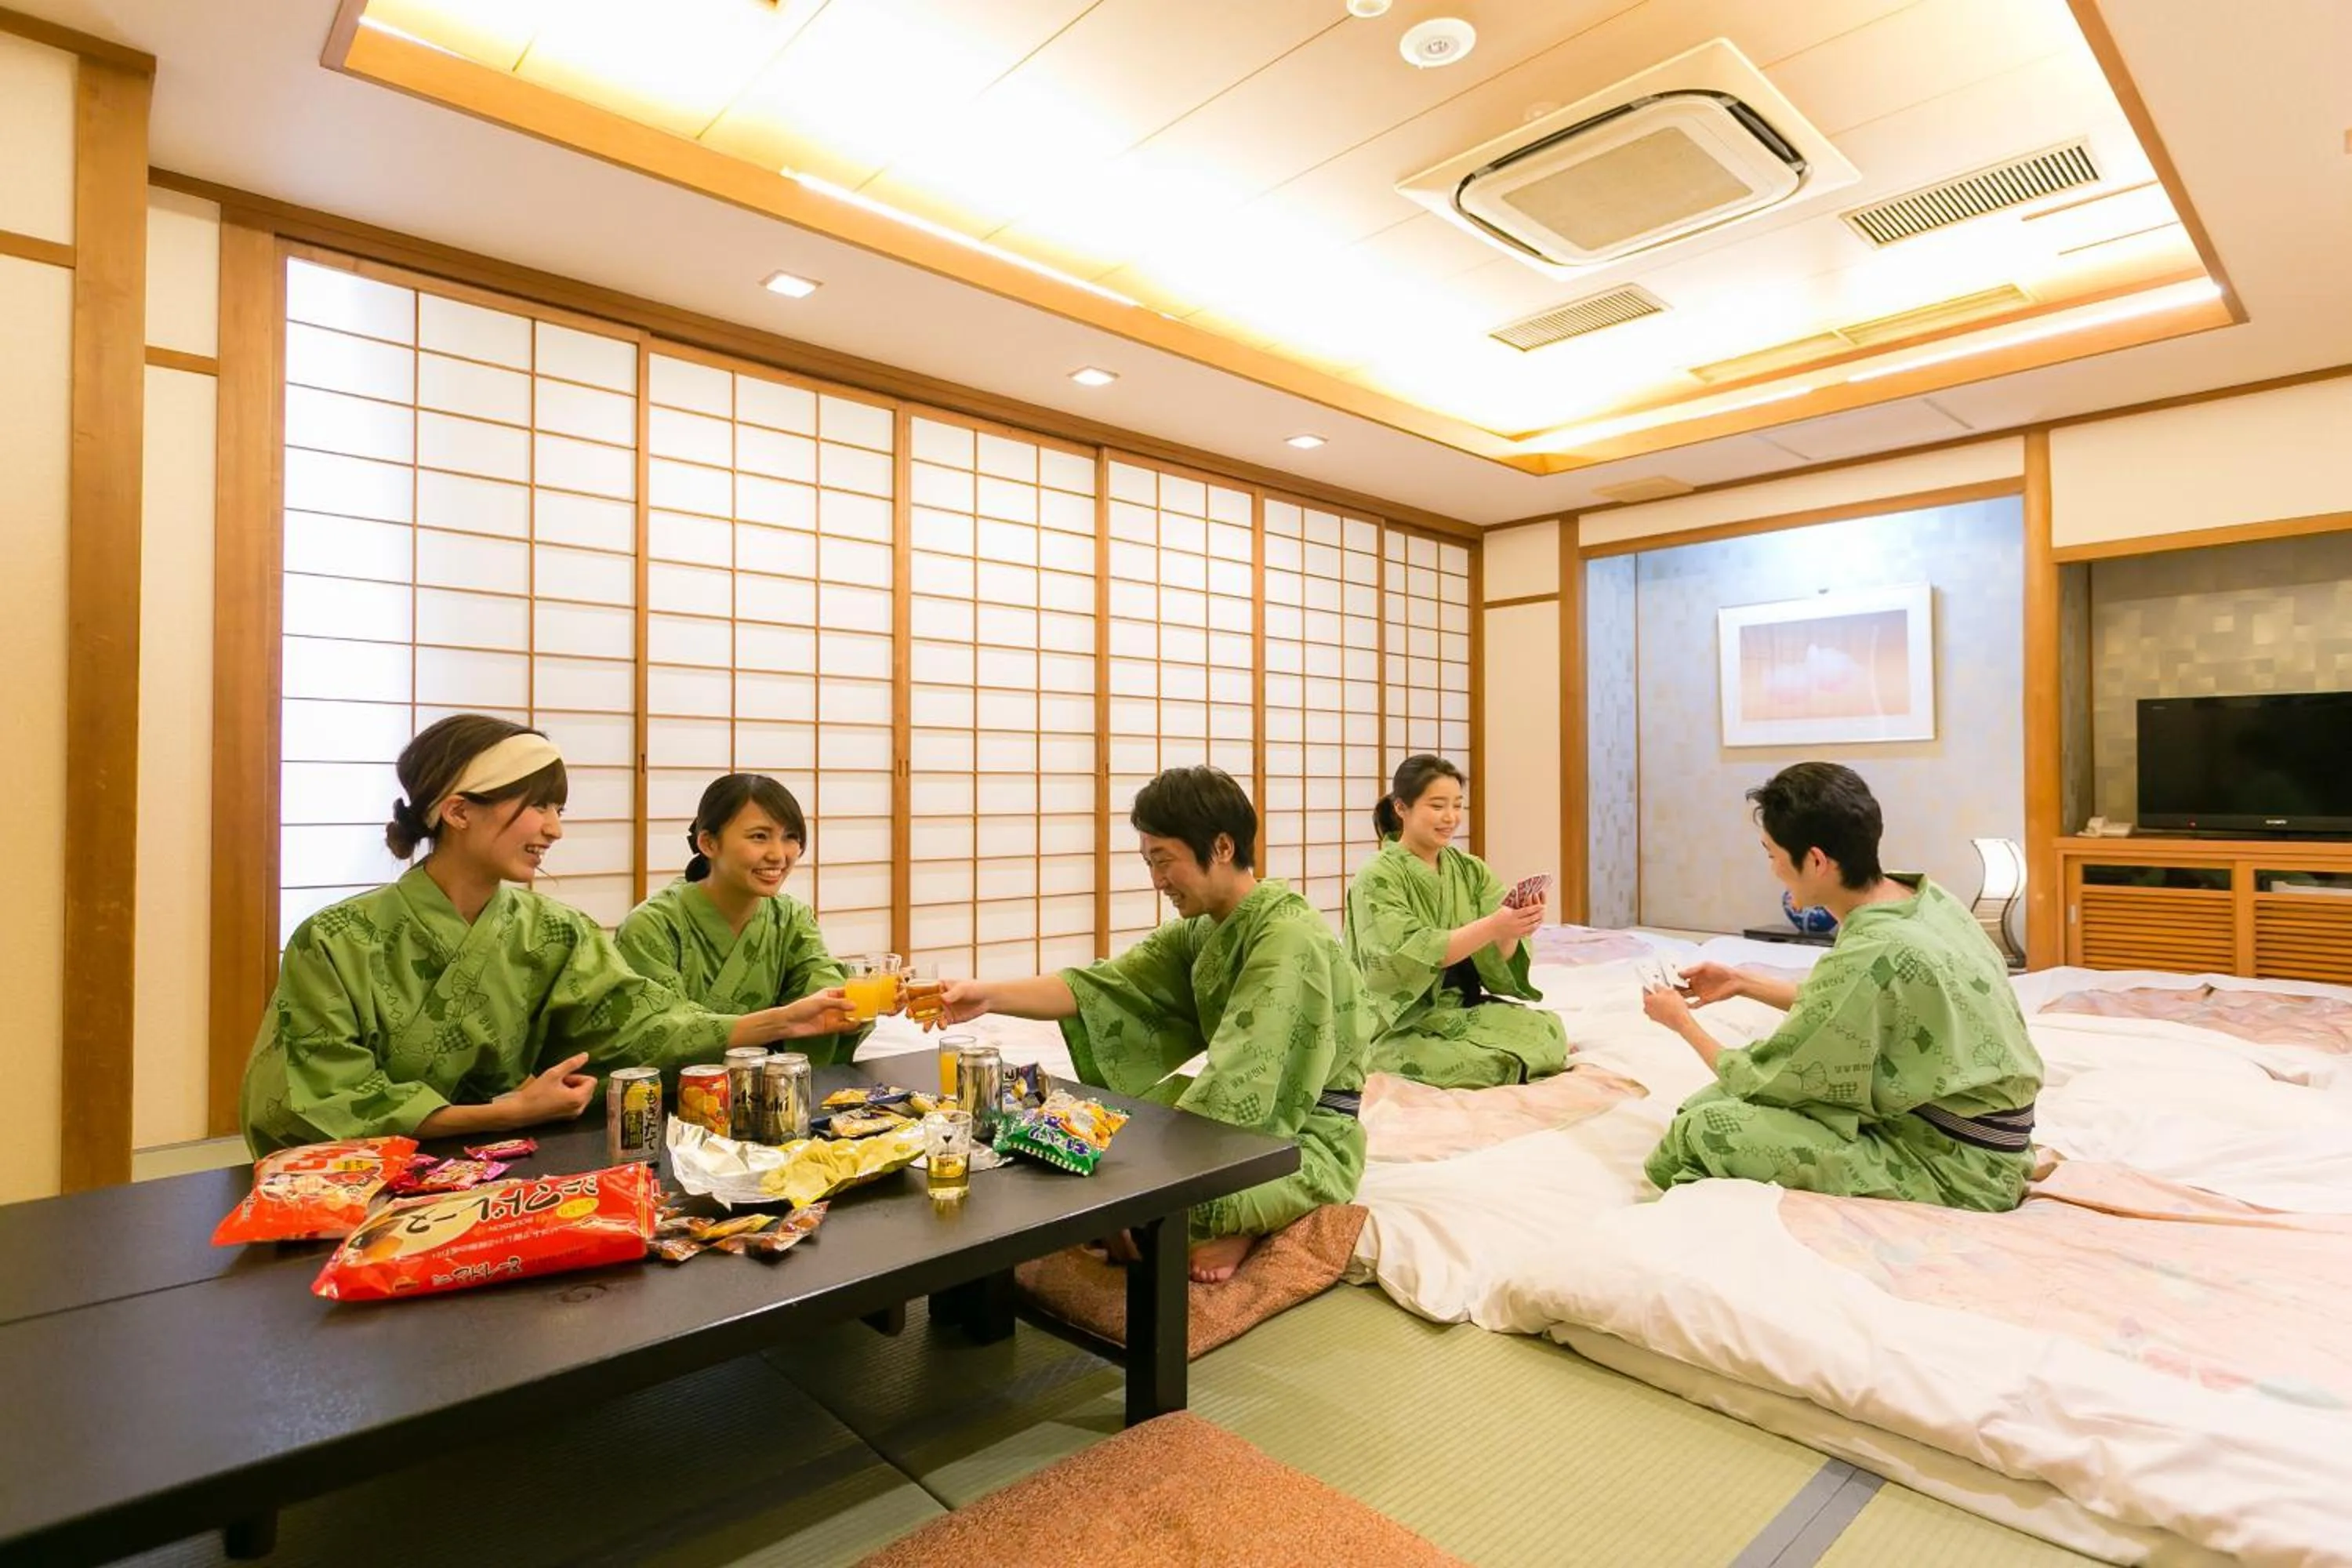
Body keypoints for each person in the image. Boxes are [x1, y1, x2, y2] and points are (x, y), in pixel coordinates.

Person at [241, 715, 854, 1154]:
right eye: (538, 807)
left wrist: (780, 1022)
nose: (554, 830)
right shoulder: (337, 938)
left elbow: (637, 1024)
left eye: (558, 810)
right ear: (457, 812)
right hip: (370, 1179)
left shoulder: (556, 932)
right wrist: (497, 1112)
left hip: (512, 1166)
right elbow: (314, 1094)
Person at [934, 766, 1368, 1283]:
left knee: (1163, 1209)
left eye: (1164, 861)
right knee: (1074, 1138)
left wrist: (1145, 1187)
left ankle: (1245, 1225)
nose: (1157, 880)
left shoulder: (1287, 939)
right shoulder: (1204, 928)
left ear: (1223, 847)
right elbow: (1104, 987)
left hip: (1306, 1131)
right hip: (1236, 1106)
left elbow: (1245, 1081)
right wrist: (986, 996)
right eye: (1148, 863)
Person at [1639, 762, 2044, 1212]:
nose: (1772, 868)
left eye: (1771, 854)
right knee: (1710, 1101)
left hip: (1958, 1168)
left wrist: (1680, 1022)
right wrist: (1740, 981)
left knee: (1707, 1126)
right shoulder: (1924, 899)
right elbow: (1857, 1005)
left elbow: (1767, 1077)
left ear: (1815, 861)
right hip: (1979, 1139)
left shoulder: (1874, 948)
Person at [1344, 755, 1567, 1088]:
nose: (1450, 818)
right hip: (1399, 1022)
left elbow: (1497, 962)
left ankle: (1506, 1061)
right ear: (1402, 808)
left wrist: (1513, 930)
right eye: (1437, 806)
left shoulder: (1470, 870)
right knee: (1476, 1063)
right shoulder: (1377, 877)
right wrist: (1494, 925)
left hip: (1460, 1007)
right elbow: (1403, 955)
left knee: (1549, 1031)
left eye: (1457, 806)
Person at [615, 774, 868, 1065]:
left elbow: (819, 981)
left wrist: (860, 1000)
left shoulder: (791, 918)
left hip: (773, 1096)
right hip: (678, 1102)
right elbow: (654, 1034)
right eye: (759, 836)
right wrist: (781, 1021)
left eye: (790, 837)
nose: (779, 855)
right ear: (709, 844)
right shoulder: (652, 927)